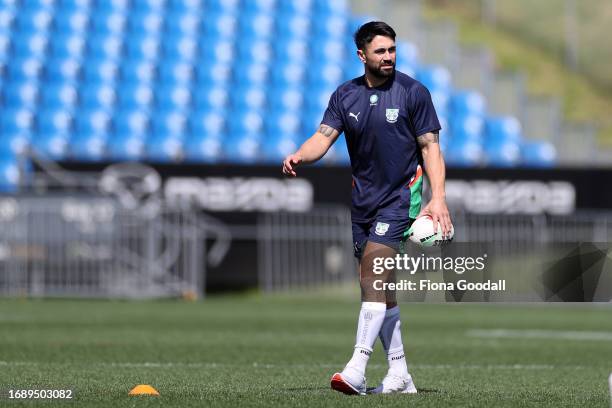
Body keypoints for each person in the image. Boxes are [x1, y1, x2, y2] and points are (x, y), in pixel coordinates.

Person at [282, 21, 452, 395]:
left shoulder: (413, 92)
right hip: (363, 203)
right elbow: (322, 138)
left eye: (392, 49)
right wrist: (299, 156)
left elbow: (430, 148)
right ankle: (399, 375)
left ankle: (356, 368)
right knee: (378, 289)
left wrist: (436, 198)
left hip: (399, 200)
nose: (389, 56)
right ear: (362, 55)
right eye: (380, 51)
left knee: (374, 276)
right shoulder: (345, 95)